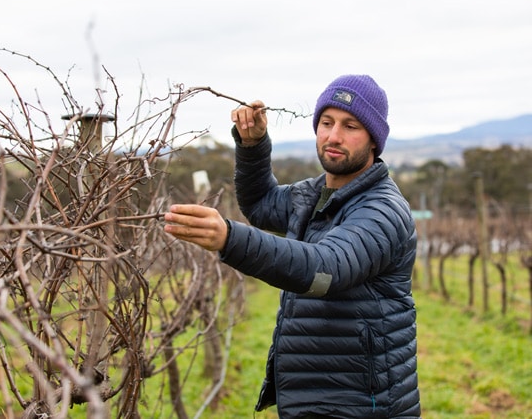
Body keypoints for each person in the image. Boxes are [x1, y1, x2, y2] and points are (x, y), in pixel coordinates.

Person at [164, 74, 421, 418]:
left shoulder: (382, 209)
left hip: (363, 404)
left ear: (374, 139)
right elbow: (260, 204)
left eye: (350, 126)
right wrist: (253, 147)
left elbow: (325, 270)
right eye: (326, 122)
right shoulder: (312, 195)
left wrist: (229, 238)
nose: (333, 135)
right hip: (316, 396)